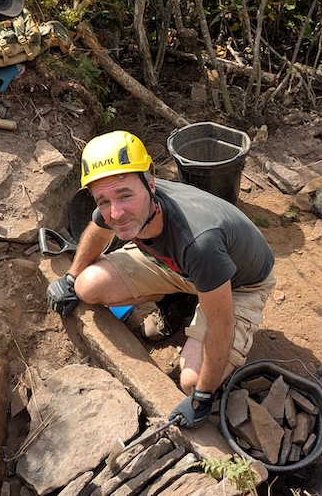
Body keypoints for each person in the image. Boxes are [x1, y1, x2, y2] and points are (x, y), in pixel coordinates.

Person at [46, 130, 276, 428]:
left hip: (237, 283)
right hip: (182, 267)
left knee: (192, 382)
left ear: (150, 184)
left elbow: (222, 325)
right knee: (86, 286)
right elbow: (98, 228)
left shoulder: (199, 241)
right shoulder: (121, 199)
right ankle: (178, 299)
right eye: (103, 200)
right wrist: (70, 277)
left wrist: (203, 396)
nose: (115, 212)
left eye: (124, 196)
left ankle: (191, 301)